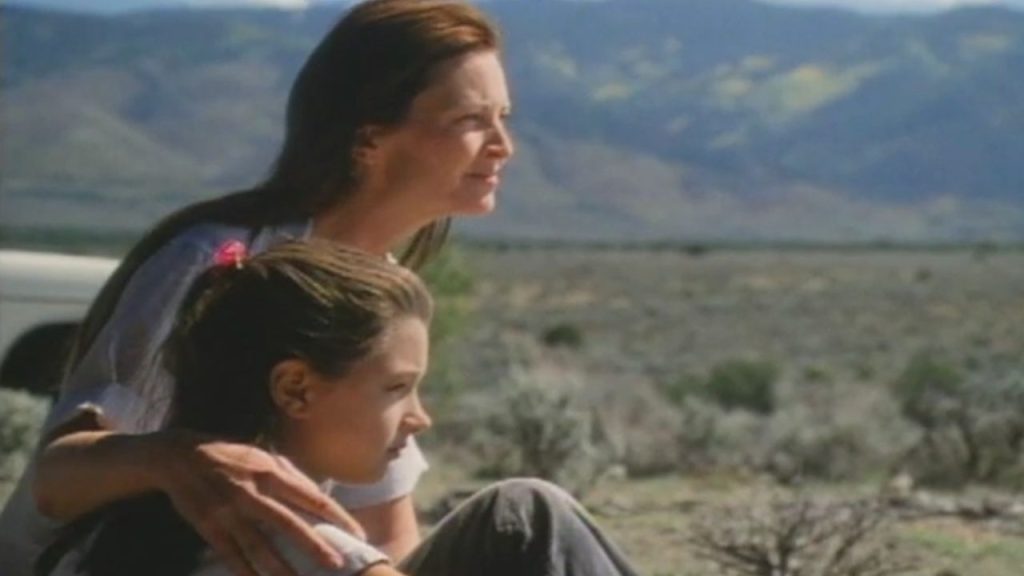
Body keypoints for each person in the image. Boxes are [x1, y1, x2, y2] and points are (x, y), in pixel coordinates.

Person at [0, 0, 513, 574]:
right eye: (471, 120)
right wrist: (181, 460)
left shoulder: (384, 294)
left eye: (504, 118)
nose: (503, 145)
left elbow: (387, 527)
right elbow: (57, 478)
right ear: (369, 138)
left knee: (524, 518)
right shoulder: (216, 259)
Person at [39, 242, 639, 576]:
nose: (419, 417)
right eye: (397, 388)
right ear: (296, 389)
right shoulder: (300, 544)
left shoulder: (131, 517)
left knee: (523, 512)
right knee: (529, 516)